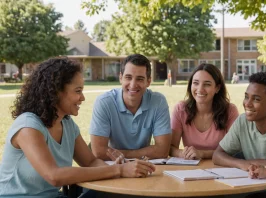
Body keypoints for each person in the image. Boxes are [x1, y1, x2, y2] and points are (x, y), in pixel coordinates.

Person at [0, 58, 155, 198]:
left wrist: (119, 168)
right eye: (78, 91)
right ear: (55, 92)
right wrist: (119, 171)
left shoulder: (67, 124)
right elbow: (54, 176)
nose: (83, 97)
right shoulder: (28, 126)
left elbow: (91, 162)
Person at [90, 54, 171, 160]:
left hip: (144, 167)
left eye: (140, 79)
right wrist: (144, 153)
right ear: (120, 78)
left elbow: (162, 151)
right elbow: (99, 152)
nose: (133, 85)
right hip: (113, 167)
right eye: (128, 77)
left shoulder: (158, 101)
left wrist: (121, 155)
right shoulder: (104, 102)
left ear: (148, 82)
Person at [170, 63, 239, 159]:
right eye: (196, 83)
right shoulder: (180, 109)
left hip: (221, 168)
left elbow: (233, 149)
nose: (200, 89)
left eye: (207, 84)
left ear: (217, 88)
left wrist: (202, 154)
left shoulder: (230, 111)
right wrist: (182, 154)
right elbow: (170, 148)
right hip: (190, 169)